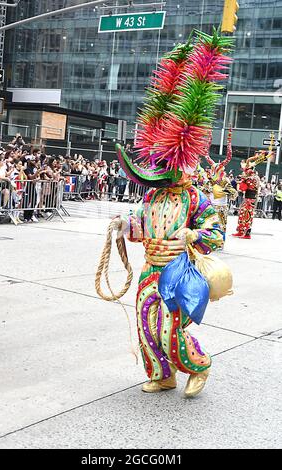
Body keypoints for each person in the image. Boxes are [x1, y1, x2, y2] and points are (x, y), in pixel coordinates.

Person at [111, 29, 233, 397]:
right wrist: (124, 224)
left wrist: (195, 235)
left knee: (169, 328)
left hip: (178, 272)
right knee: (147, 328)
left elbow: (216, 234)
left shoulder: (196, 200)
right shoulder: (152, 200)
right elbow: (141, 226)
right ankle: (163, 375)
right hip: (150, 270)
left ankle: (200, 366)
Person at [204, 128, 238, 240]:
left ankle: (221, 241)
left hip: (222, 207)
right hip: (211, 207)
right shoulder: (210, 181)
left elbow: (234, 193)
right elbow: (204, 191)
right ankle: (211, 241)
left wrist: (222, 191)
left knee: (221, 226)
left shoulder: (225, 181)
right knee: (210, 226)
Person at [232, 151, 272, 239]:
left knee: (247, 215)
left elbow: (243, 188)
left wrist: (242, 180)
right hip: (248, 198)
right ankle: (241, 231)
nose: (244, 171)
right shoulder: (251, 177)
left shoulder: (251, 178)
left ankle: (246, 233)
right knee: (242, 213)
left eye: (246, 170)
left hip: (250, 199)